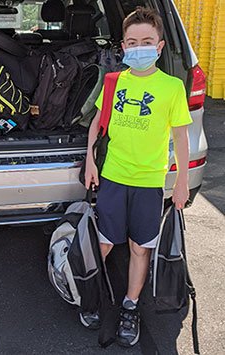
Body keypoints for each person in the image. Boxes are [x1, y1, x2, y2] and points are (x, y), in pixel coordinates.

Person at [82, 6, 193, 348]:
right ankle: (93, 295)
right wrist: (90, 162)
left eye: (147, 41)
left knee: (139, 247)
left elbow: (180, 138)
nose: (139, 47)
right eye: (132, 42)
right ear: (123, 47)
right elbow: (97, 125)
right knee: (102, 242)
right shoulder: (114, 82)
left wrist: (182, 182)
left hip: (148, 181)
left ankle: (130, 305)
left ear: (159, 46)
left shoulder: (172, 87)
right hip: (113, 176)